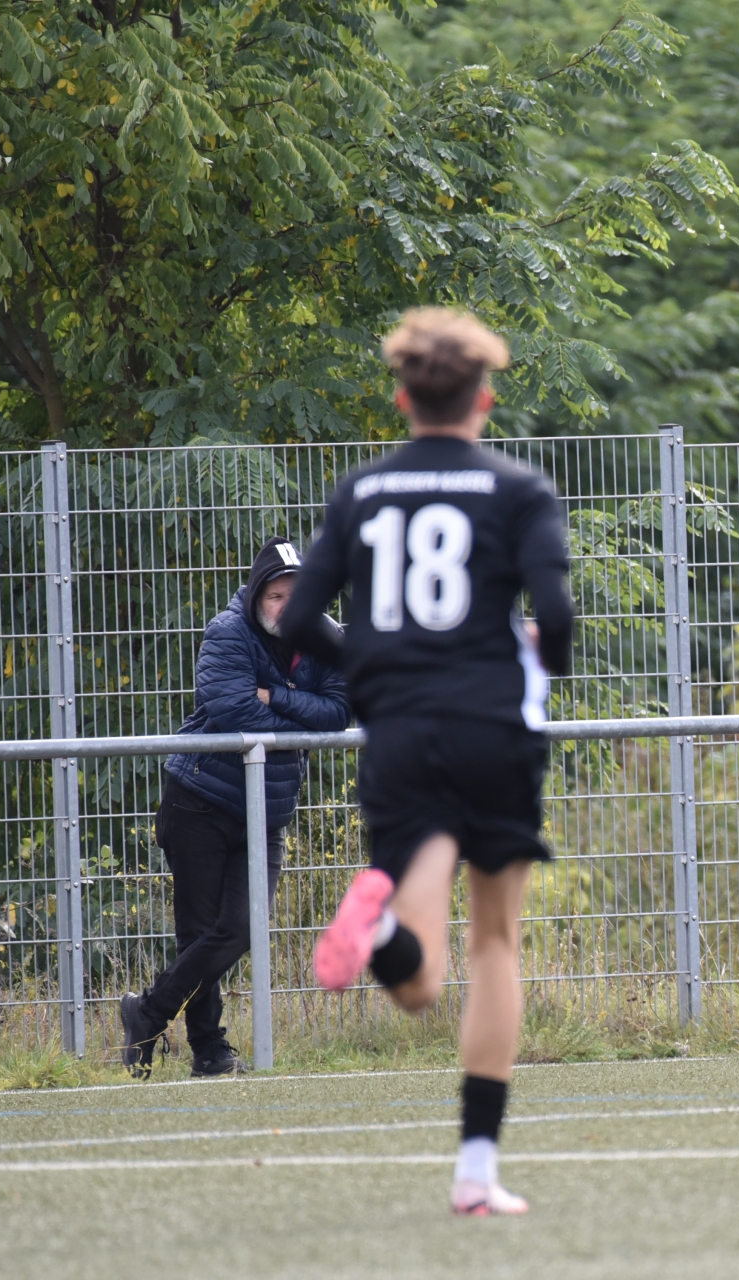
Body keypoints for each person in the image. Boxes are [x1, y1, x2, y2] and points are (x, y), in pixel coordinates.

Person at [280, 307, 576, 1215]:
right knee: (495, 942)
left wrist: (373, 668)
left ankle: (379, 934)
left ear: (404, 400)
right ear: (484, 399)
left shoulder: (361, 491)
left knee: (417, 986)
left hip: (401, 734)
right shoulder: (519, 488)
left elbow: (297, 621)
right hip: (493, 728)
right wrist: (542, 663)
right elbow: (557, 618)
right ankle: (476, 1172)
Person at [118, 537, 351, 1079]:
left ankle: (148, 1011)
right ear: (255, 596)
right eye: (276, 596)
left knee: (243, 928)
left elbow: (340, 712)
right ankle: (210, 1051)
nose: (287, 608)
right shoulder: (227, 631)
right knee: (199, 934)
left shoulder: (328, 639)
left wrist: (275, 697)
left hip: (265, 811)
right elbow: (234, 713)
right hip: (199, 800)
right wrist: (297, 715)